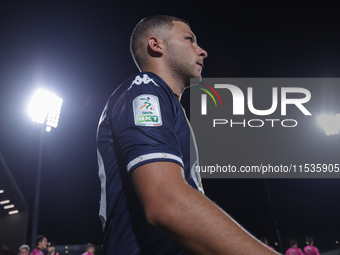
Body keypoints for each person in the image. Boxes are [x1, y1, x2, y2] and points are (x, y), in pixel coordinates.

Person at [97, 14, 280, 255]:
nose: (202, 51)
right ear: (156, 45)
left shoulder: (169, 104)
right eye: (189, 39)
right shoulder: (144, 88)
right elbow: (166, 200)